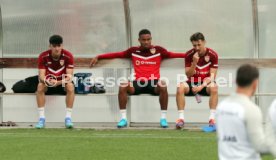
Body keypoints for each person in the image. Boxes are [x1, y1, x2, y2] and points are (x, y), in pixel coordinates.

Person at [90, 29, 186, 128]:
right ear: (139, 40)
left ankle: (163, 119)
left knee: (163, 85)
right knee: (123, 85)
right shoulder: (133, 51)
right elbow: (117, 54)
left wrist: (191, 56)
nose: (146, 42)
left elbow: (174, 54)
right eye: (143, 40)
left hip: (153, 83)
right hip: (138, 83)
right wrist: (99, 56)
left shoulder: (159, 50)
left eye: (148, 39)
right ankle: (123, 119)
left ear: (151, 39)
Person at [216, 64, 276, 160]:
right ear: (255, 83)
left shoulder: (221, 106)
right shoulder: (251, 109)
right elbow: (260, 146)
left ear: (236, 81)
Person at [176, 32, 218, 129]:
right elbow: (188, 74)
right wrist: (194, 62)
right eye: (195, 45)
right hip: (191, 83)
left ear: (204, 42)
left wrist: (201, 86)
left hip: (205, 84)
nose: (197, 48)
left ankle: (212, 119)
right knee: (180, 87)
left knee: (214, 87)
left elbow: (212, 77)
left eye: (199, 44)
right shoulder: (189, 54)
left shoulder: (213, 55)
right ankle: (181, 119)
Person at [35, 35, 75, 129]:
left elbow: (69, 77)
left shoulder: (68, 56)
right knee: (40, 86)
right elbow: (41, 76)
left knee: (70, 86)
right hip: (48, 82)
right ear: (50, 46)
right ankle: (41, 119)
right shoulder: (43, 56)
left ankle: (68, 118)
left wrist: (58, 82)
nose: (57, 48)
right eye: (54, 46)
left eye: (59, 46)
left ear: (62, 46)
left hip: (61, 82)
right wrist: (47, 81)